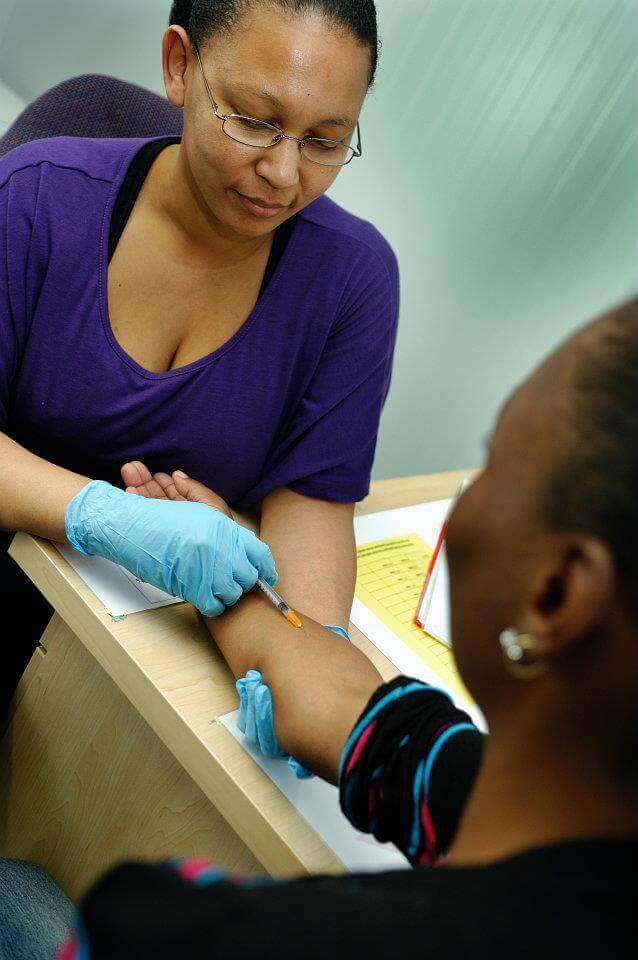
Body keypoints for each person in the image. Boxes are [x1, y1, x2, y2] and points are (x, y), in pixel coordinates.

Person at [52, 296, 638, 957]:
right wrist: (232, 582)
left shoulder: (167, 936)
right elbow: (350, 710)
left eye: (493, 465)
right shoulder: (504, 793)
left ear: (554, 595)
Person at [0, 0, 398, 711]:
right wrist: (108, 518)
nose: (282, 173)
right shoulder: (37, 196)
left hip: (150, 649)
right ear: (180, 65)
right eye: (253, 121)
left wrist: (305, 649)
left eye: (324, 141)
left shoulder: (352, 280)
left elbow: (311, 504)